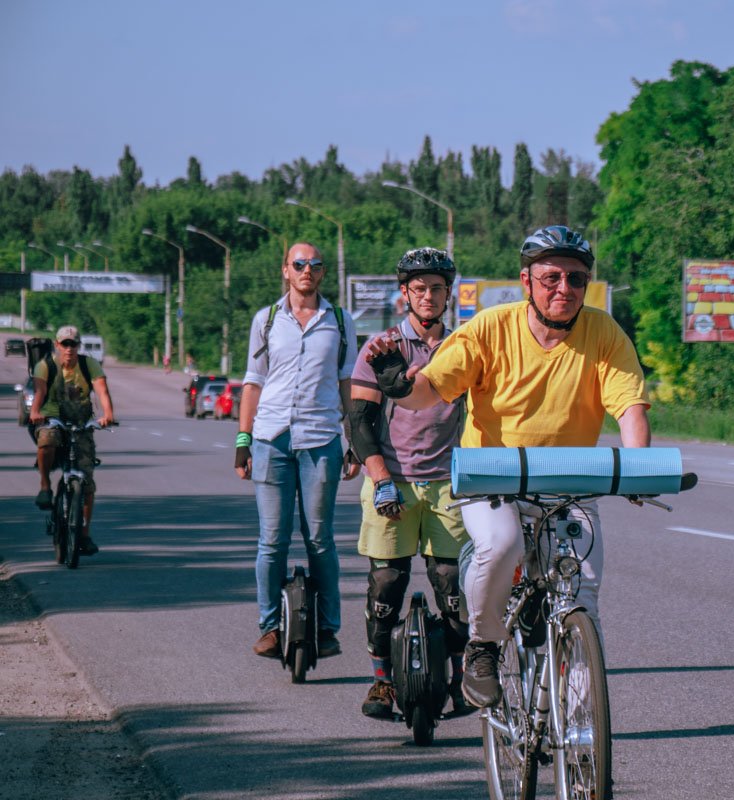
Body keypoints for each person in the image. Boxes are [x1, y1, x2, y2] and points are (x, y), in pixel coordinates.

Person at [370, 225, 650, 708]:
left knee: (583, 596)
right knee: (502, 544)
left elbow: (630, 407)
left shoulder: (604, 332)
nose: (565, 289)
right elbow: (430, 391)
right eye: (552, 278)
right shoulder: (488, 328)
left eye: (577, 279)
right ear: (527, 281)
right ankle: (482, 645)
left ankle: (579, 726)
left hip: (568, 483)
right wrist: (398, 386)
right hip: (492, 476)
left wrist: (639, 465)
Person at [348, 247, 470, 720]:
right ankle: (381, 681)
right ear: (405, 294)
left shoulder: (461, 347)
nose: (427, 296)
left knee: (455, 587)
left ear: (446, 294)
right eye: (418, 288)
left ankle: (459, 679)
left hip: (447, 483)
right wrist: (380, 480)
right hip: (393, 479)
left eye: (436, 288)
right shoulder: (380, 349)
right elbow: (359, 421)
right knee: (387, 586)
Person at [235, 242, 359, 660]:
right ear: (286, 270)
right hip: (272, 438)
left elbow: (347, 383)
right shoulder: (266, 320)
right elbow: (253, 381)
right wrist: (243, 440)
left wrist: (354, 440)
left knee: (319, 538)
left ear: (323, 273)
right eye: (299, 264)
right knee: (272, 540)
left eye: (315, 264)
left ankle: (327, 629)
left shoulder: (340, 321)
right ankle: (269, 627)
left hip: (321, 438)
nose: (307, 270)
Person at [29, 324, 116, 556]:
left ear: (79, 346)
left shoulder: (89, 365)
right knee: (47, 439)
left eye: (73, 344)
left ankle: (84, 535)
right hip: (52, 416)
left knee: (86, 481)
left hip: (81, 420)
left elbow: (102, 391)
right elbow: (39, 391)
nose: (69, 348)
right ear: (57, 345)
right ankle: (45, 486)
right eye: (65, 344)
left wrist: (107, 415)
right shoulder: (46, 365)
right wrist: (35, 411)